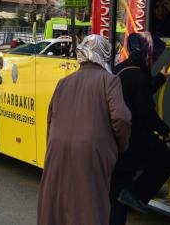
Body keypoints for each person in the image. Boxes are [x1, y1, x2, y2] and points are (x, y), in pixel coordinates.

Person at [37, 35, 131, 225]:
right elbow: (121, 117)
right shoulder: (109, 81)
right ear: (104, 54)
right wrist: (120, 145)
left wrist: (52, 146)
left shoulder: (64, 82)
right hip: (91, 151)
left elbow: (50, 118)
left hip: (57, 148)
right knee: (89, 202)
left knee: (59, 199)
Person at [110, 32, 170, 224]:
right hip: (134, 138)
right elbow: (145, 111)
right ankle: (137, 194)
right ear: (147, 52)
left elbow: (140, 92)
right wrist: (166, 131)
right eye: (154, 54)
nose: (154, 58)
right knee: (167, 160)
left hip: (115, 138)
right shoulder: (138, 75)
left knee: (118, 189)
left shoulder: (119, 69)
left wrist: (161, 78)